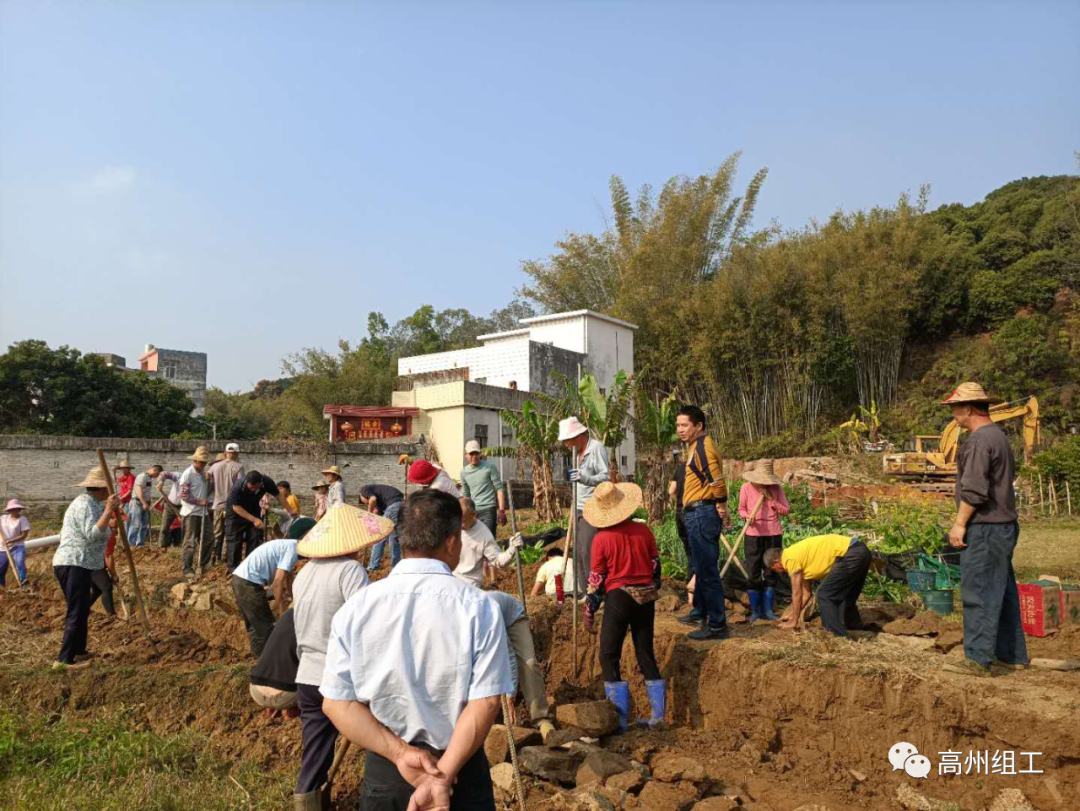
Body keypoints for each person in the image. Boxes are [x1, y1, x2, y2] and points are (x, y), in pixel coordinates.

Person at [320, 490, 513, 811]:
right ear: (453, 541)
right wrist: (441, 776)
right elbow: (488, 701)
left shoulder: (357, 608)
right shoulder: (478, 607)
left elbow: (336, 703)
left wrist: (400, 753)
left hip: (390, 770)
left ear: (404, 540)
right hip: (460, 771)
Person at [291, 503, 393, 809]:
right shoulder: (350, 570)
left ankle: (308, 801)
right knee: (383, 739)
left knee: (315, 753)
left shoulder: (305, 572)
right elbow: (365, 625)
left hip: (307, 676)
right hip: (338, 677)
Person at [940, 383, 1028, 678]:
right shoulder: (999, 437)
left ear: (968, 408)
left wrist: (959, 523)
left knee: (978, 591)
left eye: (955, 408)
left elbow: (975, 492)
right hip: (1003, 527)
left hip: (986, 529)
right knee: (1001, 591)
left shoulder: (978, 442)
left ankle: (978, 658)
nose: (953, 414)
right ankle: (1011, 655)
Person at [582, 481, 665, 732]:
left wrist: (589, 610)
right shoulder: (644, 531)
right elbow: (655, 568)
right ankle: (658, 718)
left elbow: (597, 580)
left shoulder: (602, 539)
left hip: (619, 596)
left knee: (609, 655)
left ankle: (619, 721)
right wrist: (650, 587)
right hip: (646, 596)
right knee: (645, 652)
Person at [51, 466, 121, 669]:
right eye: (108, 489)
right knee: (76, 611)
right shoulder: (83, 504)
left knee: (82, 610)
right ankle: (63, 660)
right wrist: (108, 510)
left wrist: (111, 512)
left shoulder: (95, 505)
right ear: (100, 489)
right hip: (73, 562)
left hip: (85, 564)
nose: (110, 492)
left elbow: (105, 525)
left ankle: (79, 651)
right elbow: (91, 534)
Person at [675, 405, 731, 641]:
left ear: (698, 426)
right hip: (697, 513)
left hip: (702, 513)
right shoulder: (694, 447)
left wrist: (721, 504)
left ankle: (717, 625)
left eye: (685, 425)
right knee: (700, 566)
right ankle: (700, 612)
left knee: (707, 571)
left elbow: (716, 480)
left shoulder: (702, 448)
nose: (680, 430)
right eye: (678, 425)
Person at [766, 533, 871, 637]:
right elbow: (806, 594)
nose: (779, 572)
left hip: (850, 554)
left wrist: (794, 621)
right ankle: (855, 629)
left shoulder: (788, 558)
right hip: (861, 551)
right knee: (845, 595)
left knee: (823, 594)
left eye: (775, 569)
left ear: (776, 562)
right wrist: (792, 613)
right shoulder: (798, 558)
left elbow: (797, 593)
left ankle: (835, 636)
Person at [558, 416, 609, 598]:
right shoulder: (576, 454)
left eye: (568, 441)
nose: (567, 445)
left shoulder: (596, 448)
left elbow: (605, 477)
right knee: (577, 553)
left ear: (579, 436)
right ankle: (584, 593)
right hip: (577, 507)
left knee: (589, 552)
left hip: (592, 508)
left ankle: (596, 593)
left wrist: (585, 478)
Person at [485, 589, 551, 725]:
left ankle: (540, 717)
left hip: (514, 618)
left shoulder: (487, 617)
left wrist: (510, 697)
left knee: (529, 663)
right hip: (496, 618)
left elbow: (509, 656)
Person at [738, 459, 790, 622]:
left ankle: (768, 610)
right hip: (753, 534)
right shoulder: (746, 488)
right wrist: (747, 516)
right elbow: (741, 509)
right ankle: (755, 610)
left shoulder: (776, 488)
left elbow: (786, 509)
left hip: (773, 534)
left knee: (771, 571)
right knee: (753, 570)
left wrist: (772, 501)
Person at [231, 537, 300, 657]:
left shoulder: (289, 545)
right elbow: (278, 582)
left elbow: (287, 577)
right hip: (248, 583)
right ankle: (271, 662)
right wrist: (282, 611)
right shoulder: (293, 550)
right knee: (266, 626)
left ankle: (258, 657)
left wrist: (295, 597)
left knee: (254, 624)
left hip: (239, 579)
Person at [453, 497, 523, 588]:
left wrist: (512, 549)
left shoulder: (484, 535)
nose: (458, 524)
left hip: (469, 585)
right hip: (450, 579)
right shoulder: (451, 523)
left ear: (473, 515)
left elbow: (498, 561)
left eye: (462, 521)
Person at [226, 471, 287, 572]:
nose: (253, 489)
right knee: (235, 540)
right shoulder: (237, 486)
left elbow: (278, 495)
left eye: (255, 487)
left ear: (260, 483)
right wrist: (254, 520)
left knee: (255, 537)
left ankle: (250, 566)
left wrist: (290, 510)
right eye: (250, 487)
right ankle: (234, 569)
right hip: (235, 513)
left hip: (253, 510)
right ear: (247, 482)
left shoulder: (267, 482)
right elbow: (236, 507)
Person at [249, 607, 301, 718]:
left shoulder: (287, 614)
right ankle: (293, 710)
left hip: (256, 690)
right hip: (285, 696)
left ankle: (271, 709)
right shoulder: (313, 620)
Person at [670, 450, 700, 626]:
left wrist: (679, 503)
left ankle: (691, 598)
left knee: (690, 555)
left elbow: (671, 490)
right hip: (695, 514)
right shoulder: (701, 469)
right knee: (698, 554)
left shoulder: (680, 468)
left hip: (680, 514)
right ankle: (695, 598)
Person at [175, 447, 214, 579]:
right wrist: (199, 502)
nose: (203, 465)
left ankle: (202, 564)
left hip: (203, 512)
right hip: (191, 512)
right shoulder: (188, 473)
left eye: (205, 463)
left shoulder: (204, 474)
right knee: (190, 542)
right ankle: (187, 568)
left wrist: (210, 480)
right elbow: (184, 495)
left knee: (209, 538)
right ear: (195, 460)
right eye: (201, 462)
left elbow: (207, 491)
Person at [460, 440, 507, 536]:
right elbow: (466, 494)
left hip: (488, 509)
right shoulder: (464, 472)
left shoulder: (489, 467)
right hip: (473, 512)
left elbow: (499, 488)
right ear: (466, 455)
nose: (474, 456)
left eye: (476, 453)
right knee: (475, 541)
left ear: (480, 453)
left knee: (488, 539)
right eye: (471, 454)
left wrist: (501, 510)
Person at [209, 443, 246, 564]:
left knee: (216, 532)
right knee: (229, 533)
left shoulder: (215, 467)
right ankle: (225, 558)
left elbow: (207, 479)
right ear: (236, 453)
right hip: (232, 506)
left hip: (217, 505)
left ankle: (213, 557)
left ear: (225, 452)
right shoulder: (239, 467)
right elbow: (242, 487)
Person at [360, 483, 404, 572]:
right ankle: (395, 566)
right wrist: (374, 513)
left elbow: (372, 499)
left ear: (361, 497)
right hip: (401, 504)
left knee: (380, 537)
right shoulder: (381, 499)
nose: (368, 503)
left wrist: (369, 512)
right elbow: (379, 514)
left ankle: (373, 565)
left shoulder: (364, 489)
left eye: (366, 502)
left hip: (393, 505)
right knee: (394, 539)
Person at [127, 464, 161, 548]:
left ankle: (140, 544)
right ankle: (131, 544)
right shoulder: (142, 476)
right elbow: (139, 491)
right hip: (137, 503)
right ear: (155, 470)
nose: (158, 476)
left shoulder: (149, 478)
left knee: (144, 525)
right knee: (135, 524)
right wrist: (144, 503)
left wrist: (149, 502)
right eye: (158, 474)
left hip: (144, 503)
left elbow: (146, 491)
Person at [0, 499, 31, 587]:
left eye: (15, 509)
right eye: (11, 509)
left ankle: (23, 581)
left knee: (19, 561)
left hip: (17, 546)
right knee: (0, 569)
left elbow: (24, 535)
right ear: (8, 510)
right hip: (3, 548)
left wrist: (10, 541)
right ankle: (1, 588)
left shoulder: (22, 519)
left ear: (19, 509)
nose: (13, 511)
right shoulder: (2, 518)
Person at [156, 469, 183, 548]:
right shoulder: (178, 476)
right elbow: (164, 473)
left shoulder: (196, 481)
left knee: (187, 527)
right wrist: (161, 483)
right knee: (164, 528)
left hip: (183, 506)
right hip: (170, 505)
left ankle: (183, 547)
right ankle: (162, 547)